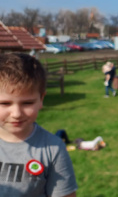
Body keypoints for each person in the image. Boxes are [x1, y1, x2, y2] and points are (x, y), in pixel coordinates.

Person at [0, 53, 78, 196]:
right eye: (5, 103)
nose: (16, 113)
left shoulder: (53, 149)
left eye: (27, 103)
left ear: (41, 99)